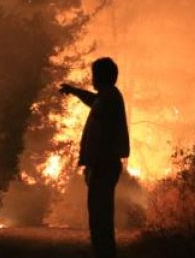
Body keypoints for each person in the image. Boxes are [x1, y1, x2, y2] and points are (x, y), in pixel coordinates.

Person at [60, 57, 129, 258]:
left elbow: (95, 102)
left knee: (100, 214)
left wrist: (74, 91)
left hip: (103, 164)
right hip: (102, 164)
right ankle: (102, 251)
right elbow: (94, 101)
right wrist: (74, 91)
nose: (93, 79)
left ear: (102, 76)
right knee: (100, 212)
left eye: (95, 75)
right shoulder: (108, 97)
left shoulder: (109, 98)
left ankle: (104, 252)